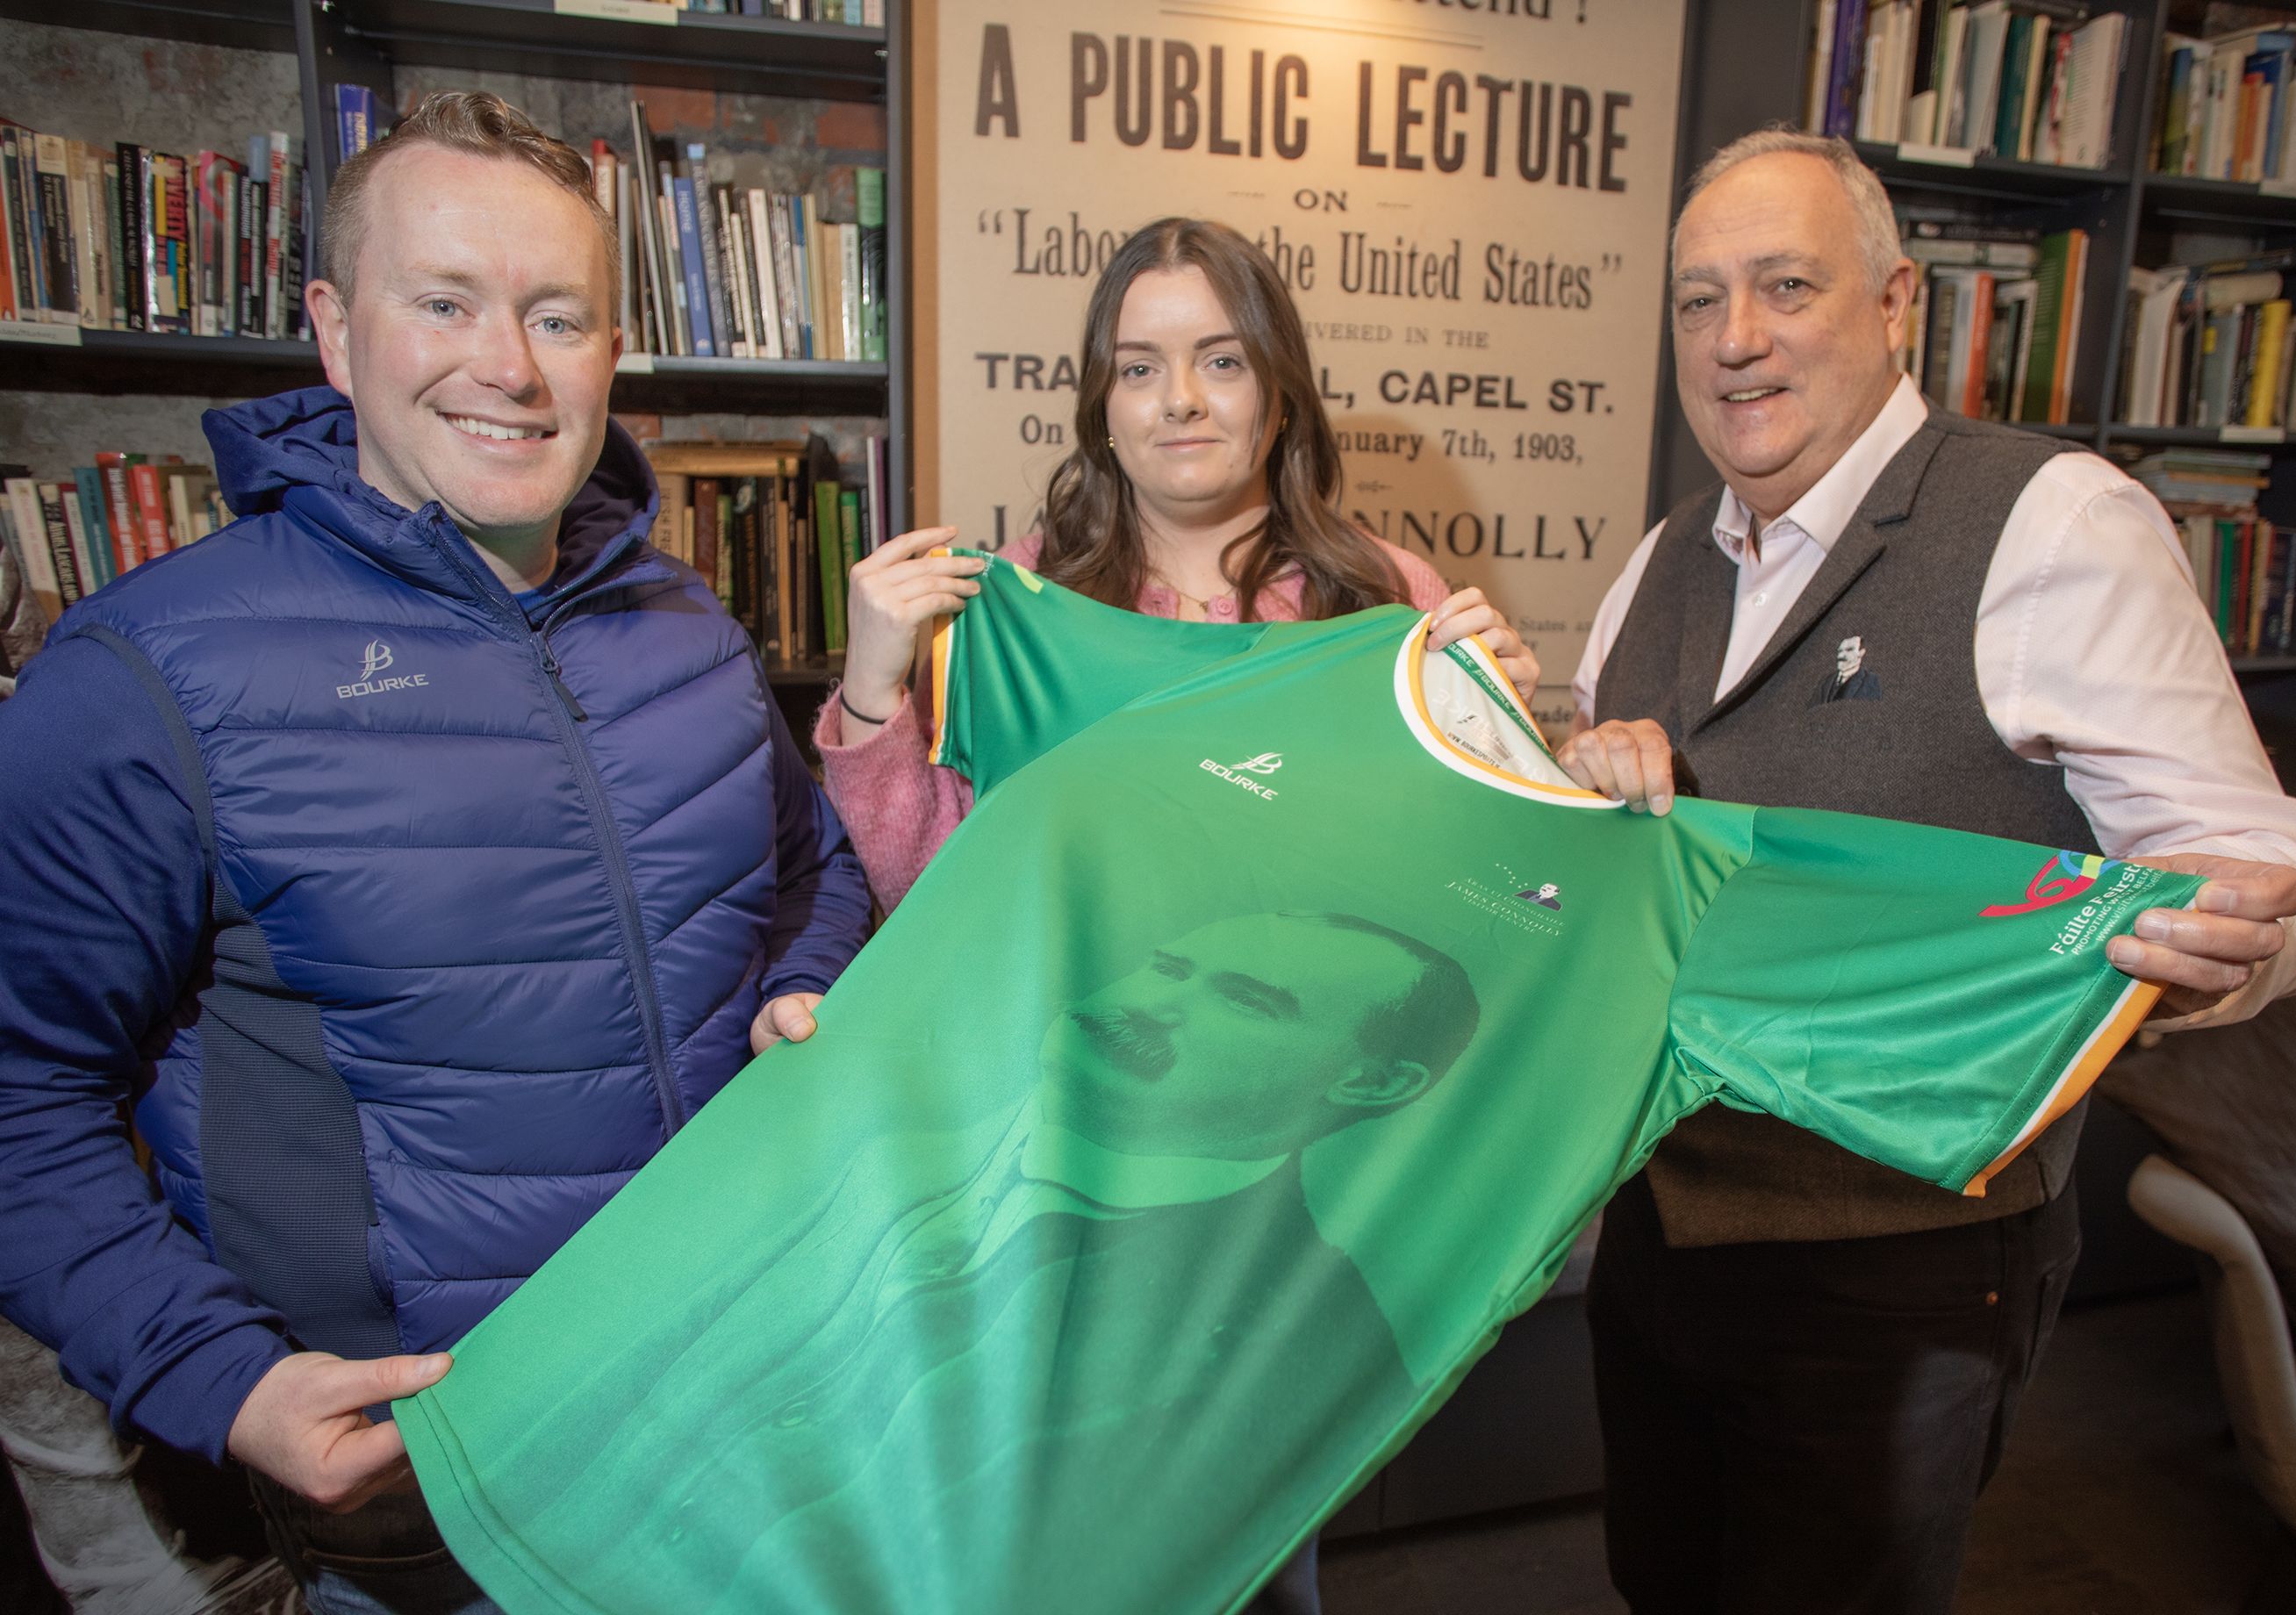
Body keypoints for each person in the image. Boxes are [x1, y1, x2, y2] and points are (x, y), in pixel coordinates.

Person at [0, 91, 871, 1613]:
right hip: (412, 1518)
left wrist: (797, 996)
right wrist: (216, 1375)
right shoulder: (144, 675)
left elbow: (816, 878)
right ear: (336, 333)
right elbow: (17, 1090)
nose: (510, 369)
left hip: (722, 1443)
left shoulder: (691, 632)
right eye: (446, 303)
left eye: (559, 315)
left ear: (613, 349)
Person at [1558, 127, 2296, 1614]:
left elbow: (2263, 851)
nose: (1736, 341)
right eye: (1697, 300)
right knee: (1662, 1583)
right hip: (1659, 1237)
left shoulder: (2051, 523)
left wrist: (2244, 934)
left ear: (1895, 303)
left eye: (1786, 286)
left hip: (1904, 1267)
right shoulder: (1657, 564)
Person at [478, 910, 1477, 1612]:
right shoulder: (859, 1108)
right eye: (1168, 966)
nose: (1152, 1004)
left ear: (1374, 1076)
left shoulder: (1299, 1340)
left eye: (1249, 1001)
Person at [815, 215, 1540, 911]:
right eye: (1139, 369)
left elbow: (1464, 886)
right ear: (1103, 406)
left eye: (1223, 362)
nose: (1180, 401)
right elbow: (937, 901)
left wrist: (1504, 745)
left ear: (1281, 392)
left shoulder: (1391, 597)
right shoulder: (1013, 606)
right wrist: (869, 695)